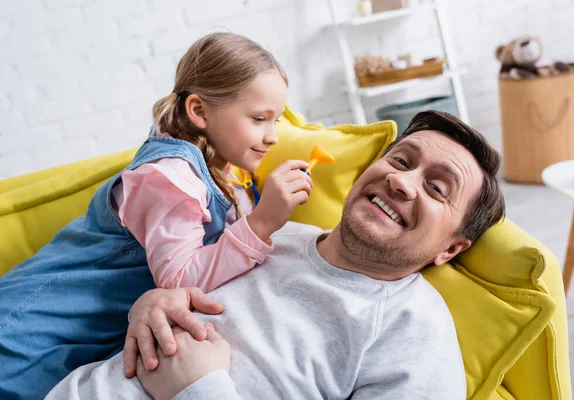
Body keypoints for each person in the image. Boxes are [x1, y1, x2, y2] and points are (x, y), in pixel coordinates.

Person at [47, 111, 506, 399]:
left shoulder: (415, 335)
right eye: (401, 161)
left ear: (451, 248)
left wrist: (198, 389)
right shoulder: (267, 233)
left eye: (436, 188)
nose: (402, 182)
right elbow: (182, 274)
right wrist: (151, 304)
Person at [0, 32, 313, 399]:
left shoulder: (217, 170)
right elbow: (178, 279)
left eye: (275, 120)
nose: (273, 136)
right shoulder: (168, 178)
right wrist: (261, 222)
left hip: (87, 335)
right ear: (199, 111)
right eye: (260, 119)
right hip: (33, 328)